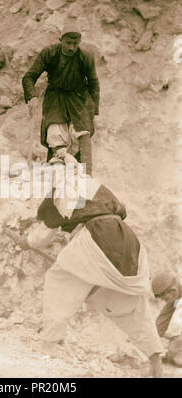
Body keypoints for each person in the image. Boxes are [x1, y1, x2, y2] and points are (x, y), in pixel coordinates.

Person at [17, 160, 164, 377]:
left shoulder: (62, 188)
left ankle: (48, 343)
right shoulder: (96, 186)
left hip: (98, 237)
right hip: (129, 242)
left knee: (61, 280)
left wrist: (26, 241)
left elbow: (42, 235)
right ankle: (155, 357)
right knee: (128, 301)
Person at [21, 24, 100, 176]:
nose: (71, 47)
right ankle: (57, 172)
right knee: (55, 132)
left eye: (75, 44)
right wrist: (32, 96)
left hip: (79, 97)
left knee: (83, 132)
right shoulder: (49, 53)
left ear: (79, 43)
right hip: (56, 98)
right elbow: (29, 77)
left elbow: (94, 83)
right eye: (68, 43)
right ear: (60, 40)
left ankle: (87, 175)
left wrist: (94, 110)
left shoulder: (86, 57)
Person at [152, 271, 182, 367]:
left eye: (165, 299)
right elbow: (163, 318)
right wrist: (149, 337)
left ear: (173, 290)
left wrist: (171, 353)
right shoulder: (176, 295)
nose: (164, 301)